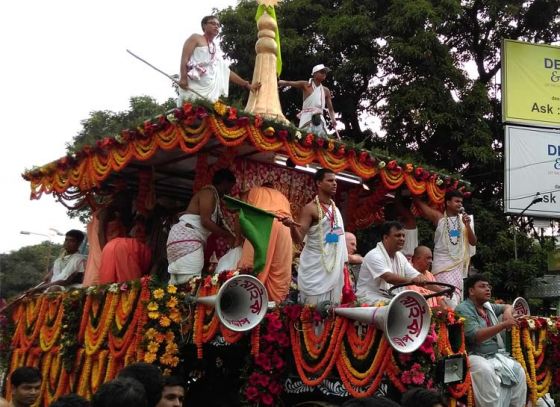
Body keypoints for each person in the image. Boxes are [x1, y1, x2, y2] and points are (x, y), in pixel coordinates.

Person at [455, 275, 527, 407]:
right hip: (473, 355)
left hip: (494, 355)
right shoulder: (463, 308)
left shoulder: (487, 306)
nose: (488, 289)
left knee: (518, 371)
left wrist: (507, 313)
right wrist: (503, 325)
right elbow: (475, 336)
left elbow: (507, 306)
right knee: (485, 371)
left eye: (489, 287)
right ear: (471, 291)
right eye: (482, 286)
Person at [285, 168, 347, 305]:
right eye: (330, 180)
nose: (335, 183)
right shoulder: (310, 208)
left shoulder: (335, 210)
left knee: (331, 312)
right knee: (312, 312)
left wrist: (330, 249)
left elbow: (335, 238)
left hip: (332, 266)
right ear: (319, 183)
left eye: (335, 180)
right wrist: (291, 226)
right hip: (314, 266)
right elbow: (298, 239)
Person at [167, 168, 237, 284]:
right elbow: (205, 221)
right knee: (190, 284)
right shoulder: (208, 193)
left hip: (184, 240)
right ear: (224, 182)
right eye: (230, 186)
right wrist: (227, 236)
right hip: (187, 239)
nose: (230, 191)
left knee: (177, 286)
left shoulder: (214, 196)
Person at [177, 15, 260, 105]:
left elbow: (226, 71)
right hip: (193, 85)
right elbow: (184, 58)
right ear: (204, 26)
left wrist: (247, 84)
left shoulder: (214, 49)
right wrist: (183, 78)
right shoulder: (195, 38)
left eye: (218, 25)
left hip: (209, 90)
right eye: (213, 23)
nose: (216, 26)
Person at [414, 190, 476, 307]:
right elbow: (422, 207)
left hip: (457, 267)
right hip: (441, 266)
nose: (460, 204)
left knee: (455, 300)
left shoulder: (466, 220)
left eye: (461, 202)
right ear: (448, 202)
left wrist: (467, 225)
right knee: (442, 298)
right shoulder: (440, 218)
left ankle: (451, 321)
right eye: (456, 201)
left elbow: (473, 242)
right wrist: (414, 196)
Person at [237, 184, 294, 302]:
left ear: (262, 187)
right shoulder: (283, 197)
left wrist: (238, 238)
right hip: (284, 227)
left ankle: (246, 302)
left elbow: (241, 214)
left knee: (252, 263)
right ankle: (274, 307)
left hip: (262, 223)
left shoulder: (254, 190)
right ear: (273, 188)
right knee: (278, 269)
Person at [355, 221, 426, 304]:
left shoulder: (400, 256)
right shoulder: (374, 255)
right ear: (385, 237)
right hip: (369, 298)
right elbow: (389, 278)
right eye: (397, 235)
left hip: (389, 298)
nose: (402, 239)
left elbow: (416, 275)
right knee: (404, 306)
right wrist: (413, 281)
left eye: (403, 236)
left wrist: (442, 290)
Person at [83, 189, 132, 286]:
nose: (126, 204)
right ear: (116, 200)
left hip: (104, 251)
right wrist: (106, 253)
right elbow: (100, 233)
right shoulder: (106, 211)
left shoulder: (115, 214)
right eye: (125, 201)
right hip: (103, 250)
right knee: (101, 277)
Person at [278, 64, 337, 138]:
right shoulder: (305, 84)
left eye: (325, 72)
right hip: (306, 117)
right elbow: (289, 83)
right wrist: (277, 81)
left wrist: (333, 119)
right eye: (322, 72)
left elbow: (330, 109)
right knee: (304, 139)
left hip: (319, 118)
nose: (324, 74)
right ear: (315, 74)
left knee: (321, 141)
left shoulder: (326, 90)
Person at [97, 215, 152, 284]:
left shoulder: (106, 247)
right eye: (138, 231)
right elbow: (146, 265)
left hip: (108, 290)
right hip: (131, 289)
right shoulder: (136, 244)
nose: (140, 234)